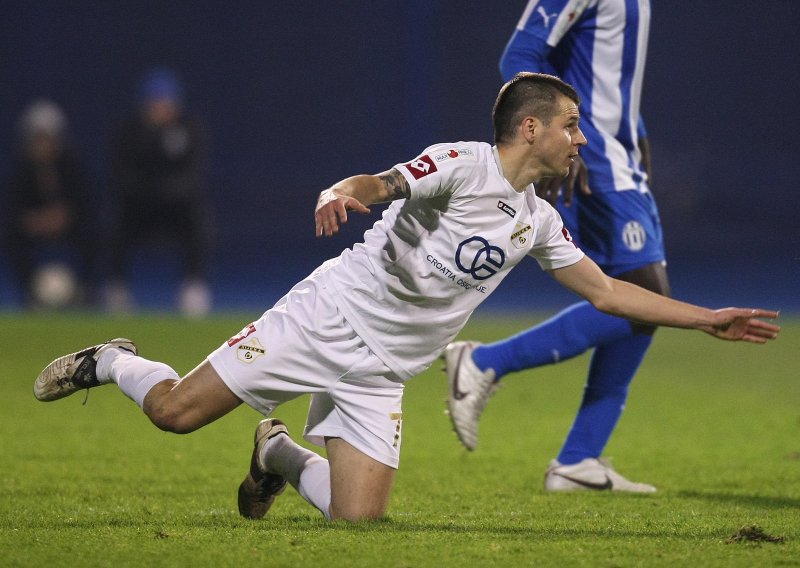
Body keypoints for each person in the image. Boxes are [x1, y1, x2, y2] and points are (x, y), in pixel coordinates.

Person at [34, 73, 779, 521]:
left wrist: (706, 318)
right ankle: (110, 362)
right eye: (571, 126)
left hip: (383, 370)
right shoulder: (461, 163)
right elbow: (379, 184)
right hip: (324, 319)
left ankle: (279, 456)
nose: (580, 140)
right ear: (531, 128)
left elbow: (611, 295)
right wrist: (340, 190)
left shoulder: (538, 220)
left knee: (359, 519)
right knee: (174, 414)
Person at [444, 0, 674, 492]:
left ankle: (579, 458)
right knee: (645, 296)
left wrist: (637, 133)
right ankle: (485, 363)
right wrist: (566, 136)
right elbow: (520, 55)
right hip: (602, 161)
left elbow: (612, 72)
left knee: (644, 303)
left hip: (622, 154)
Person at [106, 67, 213, 317]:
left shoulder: (190, 129)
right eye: (155, 102)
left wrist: (169, 191)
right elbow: (121, 175)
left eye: (165, 101)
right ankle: (116, 288)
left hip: (175, 207)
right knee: (117, 222)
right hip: (139, 206)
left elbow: (192, 176)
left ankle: (193, 287)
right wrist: (150, 190)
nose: (160, 108)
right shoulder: (130, 132)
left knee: (196, 220)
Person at [4, 99, 96, 309]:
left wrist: (64, 217)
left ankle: (84, 289)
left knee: (91, 233)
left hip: (68, 225)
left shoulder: (72, 166)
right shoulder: (22, 171)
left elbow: (83, 203)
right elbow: (15, 210)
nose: (44, 144)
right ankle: (30, 291)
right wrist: (36, 221)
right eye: (39, 138)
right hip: (34, 227)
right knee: (12, 237)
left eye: (48, 138)